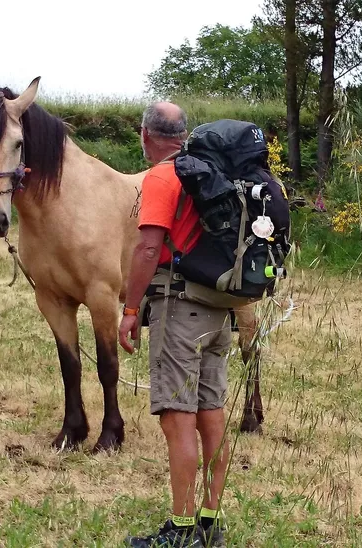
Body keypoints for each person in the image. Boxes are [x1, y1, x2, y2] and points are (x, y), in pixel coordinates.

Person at [119, 102, 231, 548]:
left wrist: (131, 310)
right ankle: (210, 522)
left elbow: (149, 249)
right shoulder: (211, 171)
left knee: (178, 418)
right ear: (183, 135)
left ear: (145, 134)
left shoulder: (164, 177)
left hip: (180, 308)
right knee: (211, 412)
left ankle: (181, 532)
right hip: (219, 309)